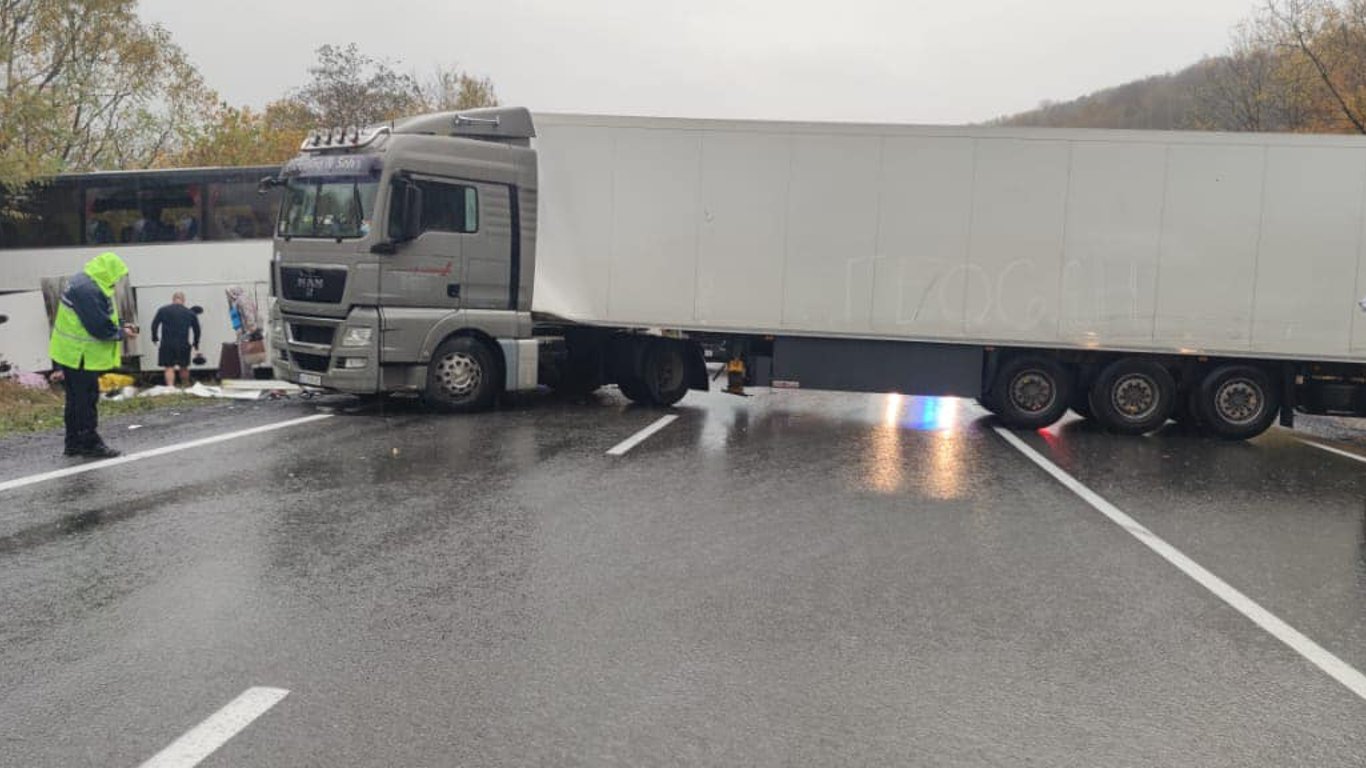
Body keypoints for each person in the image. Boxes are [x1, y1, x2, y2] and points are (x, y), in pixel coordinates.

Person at [48, 252, 137, 458]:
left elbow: (99, 315)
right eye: (116, 275)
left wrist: (120, 325)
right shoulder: (89, 290)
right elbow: (99, 327)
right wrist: (121, 333)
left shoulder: (85, 280)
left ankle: (73, 443)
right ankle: (90, 443)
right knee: (86, 400)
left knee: (75, 400)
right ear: (108, 271)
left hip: (72, 352)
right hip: (81, 355)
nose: (116, 280)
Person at [151, 292, 201, 388]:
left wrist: (155, 338)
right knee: (184, 366)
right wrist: (196, 343)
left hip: (167, 344)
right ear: (183, 300)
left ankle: (170, 387)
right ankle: (185, 386)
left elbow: (154, 325)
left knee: (169, 367)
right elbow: (197, 330)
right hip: (183, 344)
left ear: (173, 299)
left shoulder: (163, 310)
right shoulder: (190, 313)